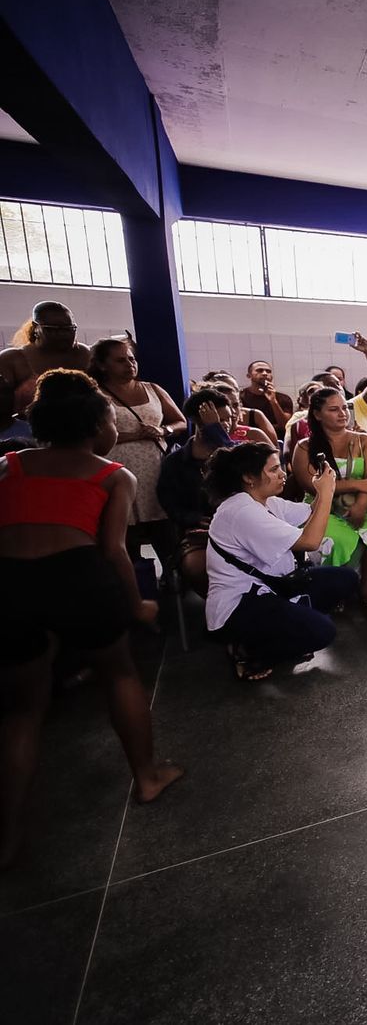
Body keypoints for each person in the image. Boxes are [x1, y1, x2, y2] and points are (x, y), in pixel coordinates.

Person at [0, 370, 183, 866]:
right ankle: (147, 775)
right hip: (76, 575)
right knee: (118, 672)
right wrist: (135, 604)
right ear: (98, 424)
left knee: (23, 708)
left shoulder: (8, 465)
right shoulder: (111, 474)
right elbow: (113, 551)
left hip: (10, 581)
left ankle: (7, 835)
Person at [204, 440, 360, 680]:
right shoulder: (241, 512)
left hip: (273, 587)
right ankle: (249, 652)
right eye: (274, 469)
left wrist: (321, 491)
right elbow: (310, 541)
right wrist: (328, 492)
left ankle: (292, 627)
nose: (282, 474)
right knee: (323, 632)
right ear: (249, 477)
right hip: (239, 605)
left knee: (346, 579)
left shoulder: (265, 501)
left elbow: (310, 513)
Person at [290, 387, 367, 621]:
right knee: (337, 538)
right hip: (322, 507)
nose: (343, 414)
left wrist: (361, 503)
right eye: (334, 409)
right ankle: (336, 590)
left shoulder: (364, 441)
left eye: (345, 408)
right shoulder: (304, 447)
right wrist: (356, 483)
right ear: (317, 414)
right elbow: (313, 486)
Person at [88, 336, 186, 564]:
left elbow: (180, 422)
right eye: (120, 361)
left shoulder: (152, 389)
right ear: (102, 365)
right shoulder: (95, 396)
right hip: (117, 473)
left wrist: (164, 430)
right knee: (126, 539)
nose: (130, 365)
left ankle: (174, 584)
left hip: (155, 473)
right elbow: (90, 436)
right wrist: (134, 435)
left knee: (167, 537)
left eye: (132, 359)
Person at [157, 386, 236, 590]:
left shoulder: (234, 455)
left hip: (240, 530)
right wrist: (191, 518)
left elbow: (246, 470)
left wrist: (216, 432)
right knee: (198, 568)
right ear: (198, 422)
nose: (226, 425)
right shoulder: (176, 462)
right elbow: (169, 501)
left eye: (228, 419)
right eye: (218, 421)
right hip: (200, 534)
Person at [0, 300, 92, 422]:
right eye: (53, 329)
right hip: (29, 434)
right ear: (35, 328)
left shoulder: (83, 353)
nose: (63, 335)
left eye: (69, 329)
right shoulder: (12, 359)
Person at [239, 359, 294, 440]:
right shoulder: (240, 397)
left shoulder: (283, 398)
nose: (265, 373)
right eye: (259, 370)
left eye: (268, 371)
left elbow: (286, 426)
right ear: (249, 375)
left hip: (278, 441)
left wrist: (273, 401)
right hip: (249, 441)